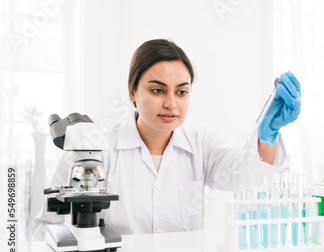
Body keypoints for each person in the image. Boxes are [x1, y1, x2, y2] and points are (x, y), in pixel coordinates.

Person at [34, 39, 301, 238]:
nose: (171, 103)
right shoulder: (95, 149)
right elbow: (47, 227)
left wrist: (268, 134)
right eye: (158, 90)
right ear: (132, 92)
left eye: (181, 92)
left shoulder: (201, 145)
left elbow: (246, 175)